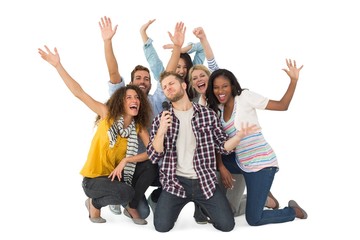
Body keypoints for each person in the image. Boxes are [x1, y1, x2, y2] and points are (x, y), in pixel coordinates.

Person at [38, 45, 153, 224]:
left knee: (148, 167)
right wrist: (58, 65)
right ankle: (94, 202)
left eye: (137, 98)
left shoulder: (138, 127)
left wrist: (127, 160)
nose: (134, 100)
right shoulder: (107, 114)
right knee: (126, 193)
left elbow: (152, 152)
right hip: (94, 180)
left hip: (116, 176)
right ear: (121, 102)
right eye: (129, 97)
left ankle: (127, 203)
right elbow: (79, 93)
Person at [146, 71, 259, 232]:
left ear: (183, 85)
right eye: (164, 87)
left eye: (171, 83)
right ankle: (161, 201)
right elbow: (154, 154)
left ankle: (207, 207)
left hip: (204, 181)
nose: (168, 88)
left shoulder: (207, 114)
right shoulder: (161, 119)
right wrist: (161, 131)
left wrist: (239, 136)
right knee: (162, 227)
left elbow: (222, 146)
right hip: (175, 183)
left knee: (227, 226)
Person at [189, 27, 279, 217]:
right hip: (222, 159)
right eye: (194, 78)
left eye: (202, 76)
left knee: (228, 211)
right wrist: (220, 167)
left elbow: (212, 63)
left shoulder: (225, 95)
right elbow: (211, 142)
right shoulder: (202, 107)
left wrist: (203, 39)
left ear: (211, 78)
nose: (199, 80)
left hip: (239, 158)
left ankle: (261, 197)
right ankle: (261, 198)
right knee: (220, 209)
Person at [205, 60, 308, 227]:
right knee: (208, 161)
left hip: (261, 164)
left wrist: (293, 81)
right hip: (240, 162)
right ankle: (262, 198)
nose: (220, 91)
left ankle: (292, 211)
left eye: (224, 86)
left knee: (254, 219)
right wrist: (222, 167)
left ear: (232, 85)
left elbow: (282, 106)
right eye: (216, 87)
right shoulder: (219, 108)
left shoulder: (244, 97)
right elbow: (217, 142)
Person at [140, 19, 210, 224]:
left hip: (193, 134)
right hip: (168, 135)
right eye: (176, 66)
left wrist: (187, 46)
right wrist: (145, 37)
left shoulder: (194, 86)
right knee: (169, 166)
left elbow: (201, 54)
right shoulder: (166, 85)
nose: (179, 70)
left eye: (183, 67)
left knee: (197, 164)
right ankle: (161, 199)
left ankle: (201, 208)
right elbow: (154, 62)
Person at [99, 16, 159, 221]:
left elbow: (166, 73)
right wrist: (108, 42)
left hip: (141, 164)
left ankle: (135, 198)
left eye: (146, 79)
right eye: (138, 79)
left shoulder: (155, 101)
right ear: (131, 84)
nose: (142, 82)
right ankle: (106, 196)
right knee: (141, 214)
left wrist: (177, 48)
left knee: (154, 167)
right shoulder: (123, 97)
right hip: (118, 165)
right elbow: (113, 71)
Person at [140, 19, 205, 101]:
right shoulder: (164, 78)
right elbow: (153, 61)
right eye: (178, 67)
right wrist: (143, 33)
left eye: (185, 67)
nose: (182, 71)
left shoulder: (193, 76)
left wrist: (182, 49)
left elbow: (202, 47)